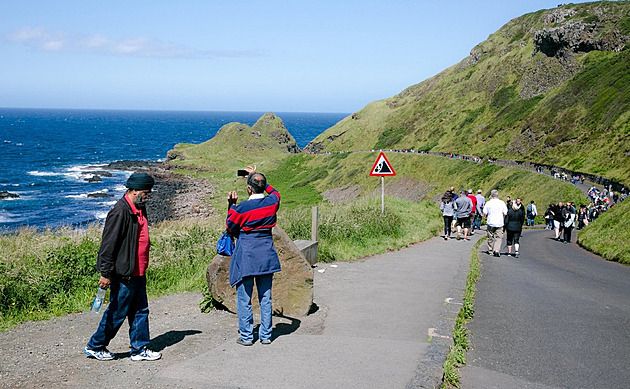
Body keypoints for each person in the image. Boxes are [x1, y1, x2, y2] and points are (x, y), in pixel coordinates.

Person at [84, 172, 162, 361]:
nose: (148, 196)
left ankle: (139, 349)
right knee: (118, 311)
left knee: (141, 310)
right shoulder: (120, 211)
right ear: (134, 191)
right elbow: (108, 245)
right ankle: (95, 345)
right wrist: (105, 273)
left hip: (138, 271)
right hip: (124, 273)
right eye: (146, 192)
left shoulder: (139, 207)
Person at [227, 167, 281, 346]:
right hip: (266, 254)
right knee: (265, 297)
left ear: (249, 189)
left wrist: (231, 205)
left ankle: (247, 336)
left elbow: (230, 226)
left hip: (247, 255)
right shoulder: (272, 202)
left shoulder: (242, 207)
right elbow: (275, 192)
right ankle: (266, 336)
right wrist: (256, 177)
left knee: (245, 298)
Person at [483, 189, 508, 257]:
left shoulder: (488, 203)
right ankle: (496, 250)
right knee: (499, 237)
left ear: (491, 195)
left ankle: (490, 250)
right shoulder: (502, 203)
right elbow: (505, 213)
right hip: (499, 222)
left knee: (490, 236)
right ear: (497, 195)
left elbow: (484, 213)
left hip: (490, 222)